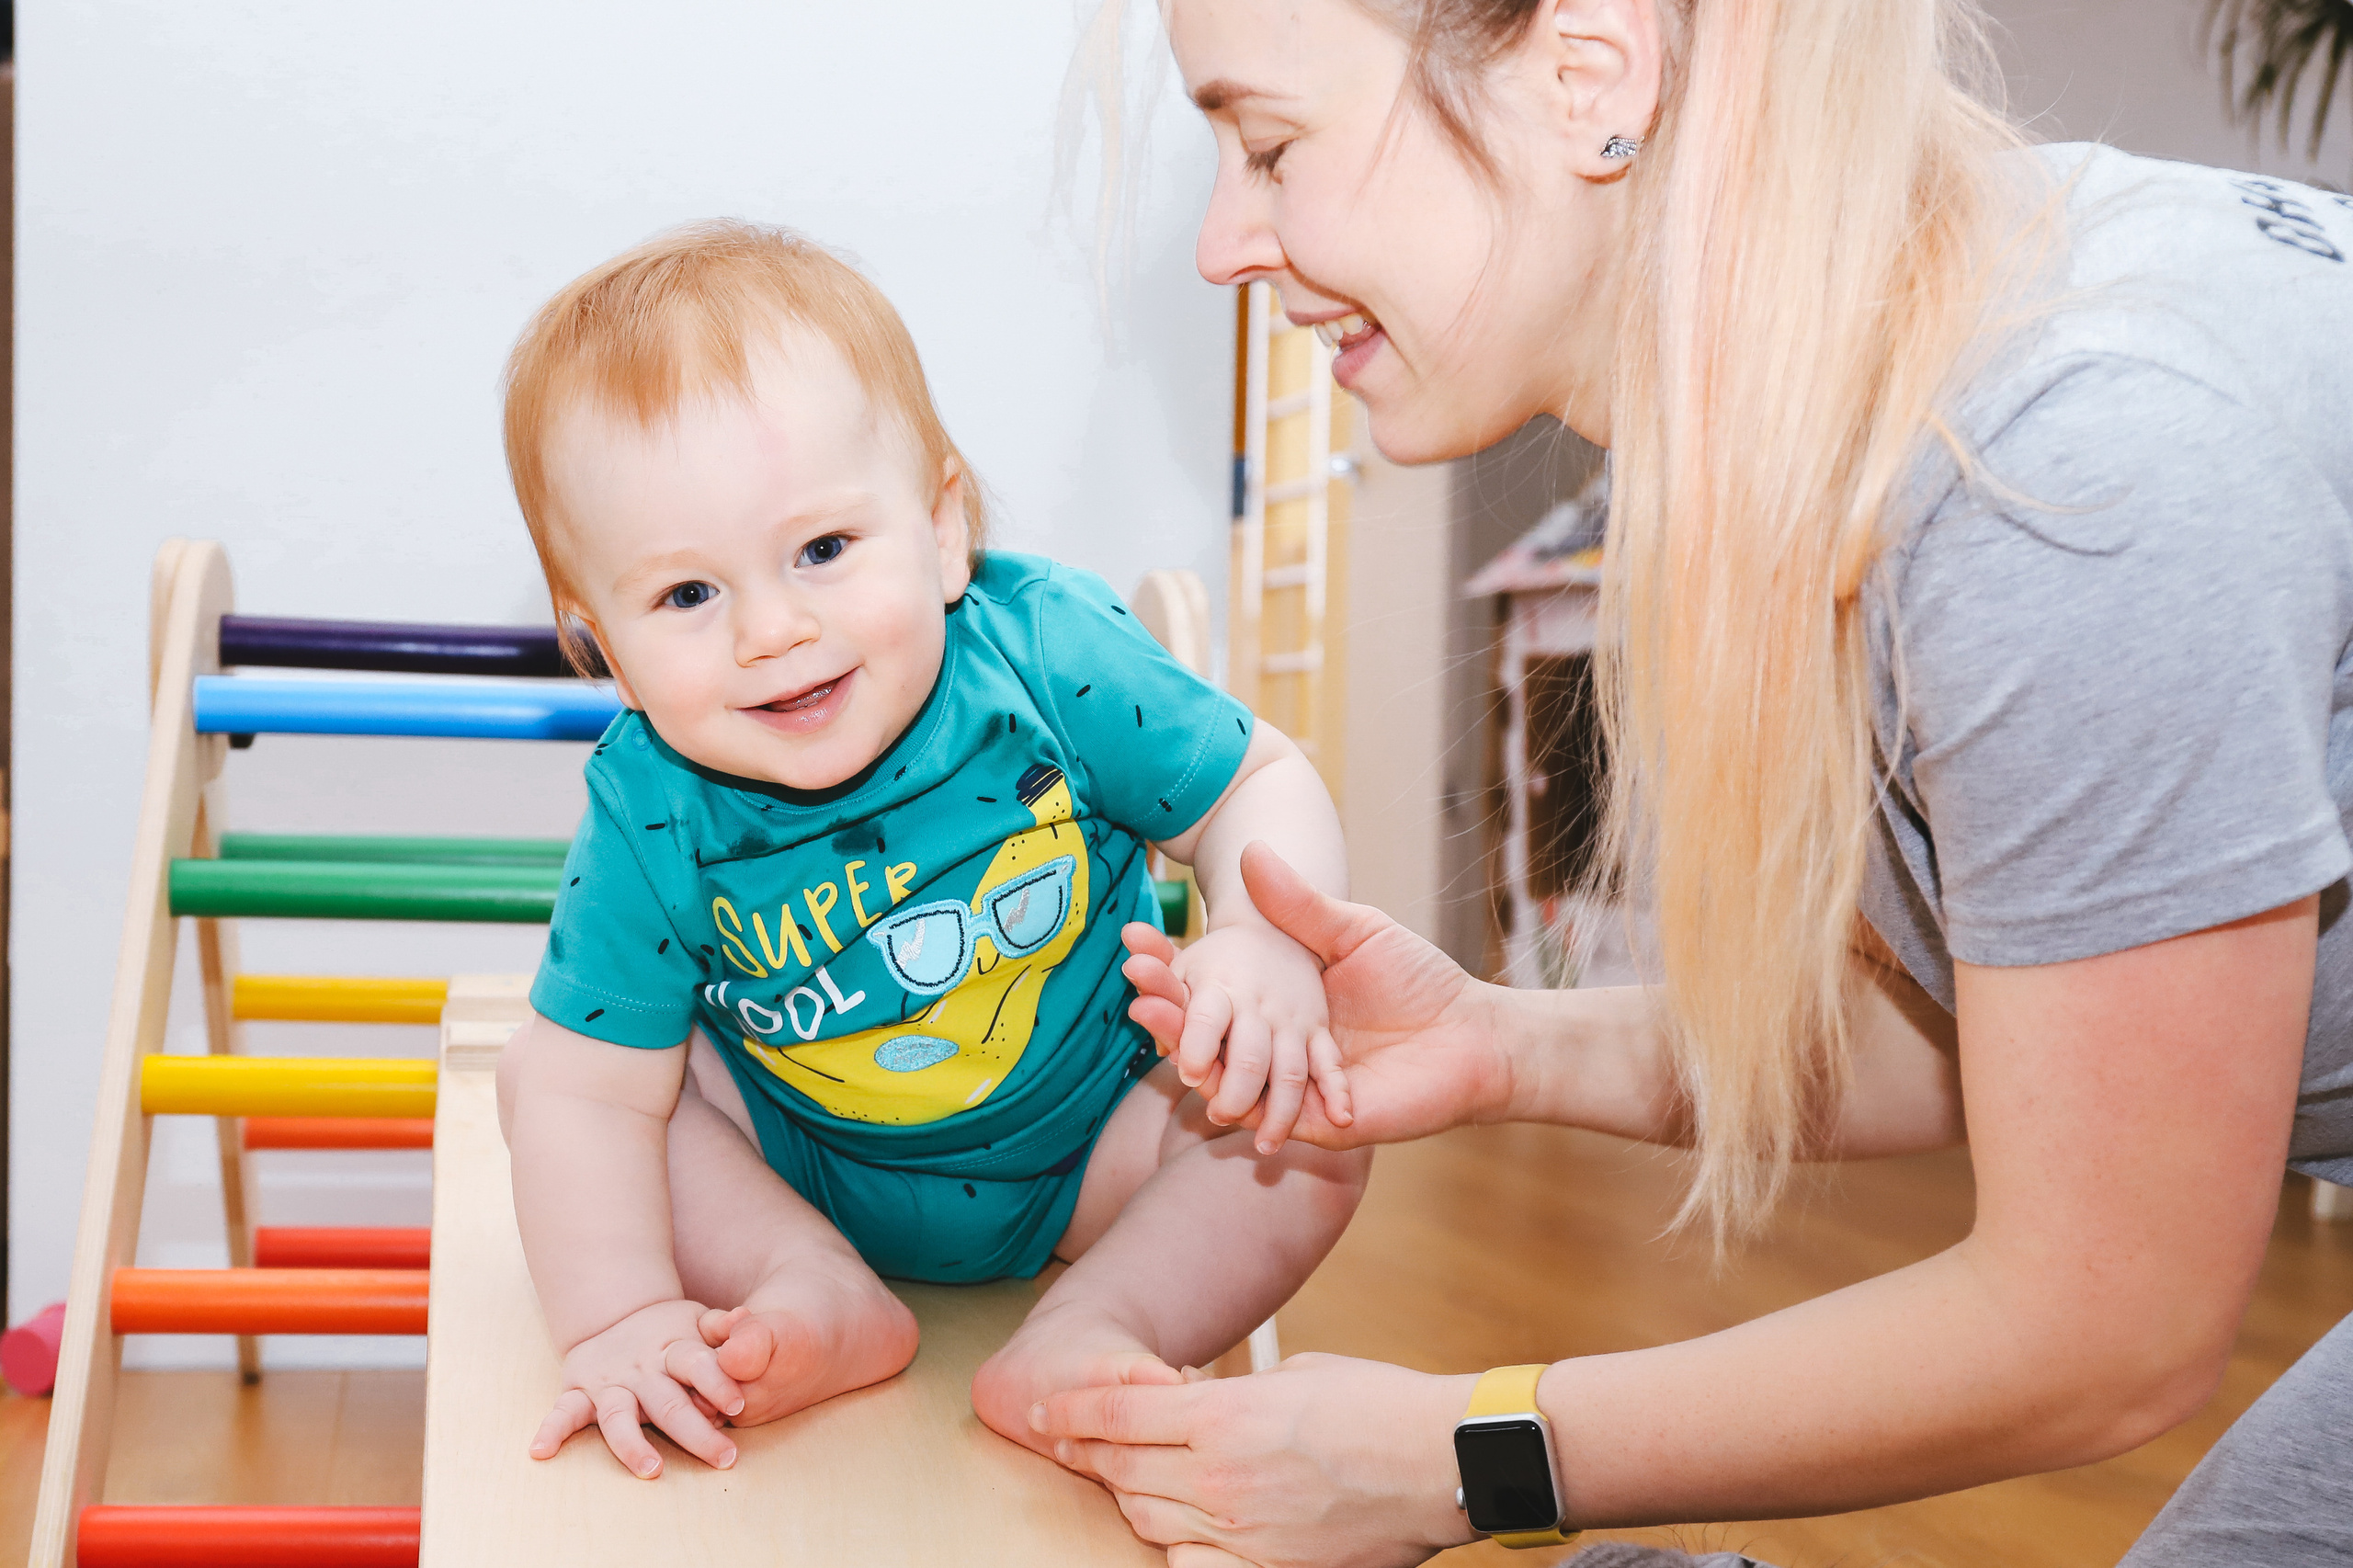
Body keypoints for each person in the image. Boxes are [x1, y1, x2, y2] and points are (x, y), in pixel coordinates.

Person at [1028, 1, 2353, 1563]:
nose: (1223, 243)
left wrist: (1457, 1454)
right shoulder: (1889, 348)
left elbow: (2111, 1317)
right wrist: (1501, 1043)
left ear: (1589, 74)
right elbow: (2043, 1028)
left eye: (1267, 145)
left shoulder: (2065, 469)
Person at [492, 221, 1370, 1481]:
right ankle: (816, 1286)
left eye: (823, 549)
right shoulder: (652, 803)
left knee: (1318, 1128)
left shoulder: (1048, 652)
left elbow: (1259, 782)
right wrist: (621, 1316)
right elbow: (588, 1095)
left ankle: (1092, 1324)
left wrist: (1263, 937)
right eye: (688, 596)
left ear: (944, 527)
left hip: (1095, 1140)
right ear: (600, 643)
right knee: (555, 1074)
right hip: (802, 1165)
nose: (774, 630)